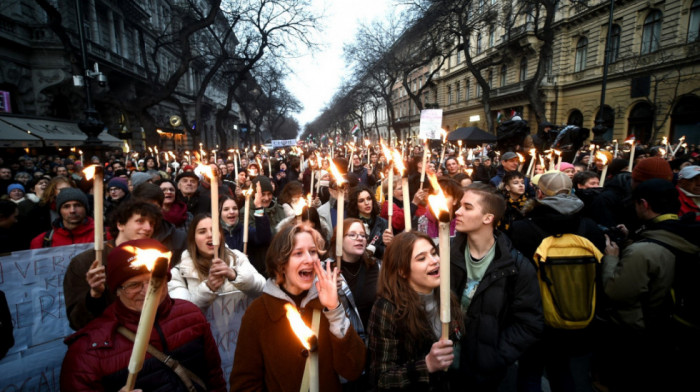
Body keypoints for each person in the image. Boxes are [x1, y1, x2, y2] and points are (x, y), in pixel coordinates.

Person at [60, 239, 227, 391]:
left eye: (155, 281)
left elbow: (214, 377)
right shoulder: (87, 352)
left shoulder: (191, 316)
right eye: (134, 284)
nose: (148, 292)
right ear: (117, 290)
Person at [229, 222, 366, 391]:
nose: (309, 259)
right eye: (298, 253)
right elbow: (244, 383)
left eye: (313, 252)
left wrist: (335, 310)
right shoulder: (258, 312)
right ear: (281, 263)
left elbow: (353, 370)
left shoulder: (329, 303)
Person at [598, 179, 700, 391]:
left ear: (643, 204)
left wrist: (611, 259)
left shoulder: (644, 250)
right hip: (677, 331)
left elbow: (617, 292)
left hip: (645, 336)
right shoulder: (686, 232)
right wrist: (631, 241)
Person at [509, 172, 605, 392]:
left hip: (535, 315)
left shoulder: (522, 229)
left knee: (530, 372)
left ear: (539, 193)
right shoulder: (589, 228)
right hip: (575, 313)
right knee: (562, 370)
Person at [450, 183, 543, 390]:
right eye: (459, 206)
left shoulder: (516, 268)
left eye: (467, 207)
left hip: (485, 374)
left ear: (488, 218)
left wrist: (494, 356)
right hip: (444, 367)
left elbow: (529, 323)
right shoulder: (445, 254)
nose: (457, 211)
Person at [367, 230, 464, 391]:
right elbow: (382, 379)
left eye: (434, 253)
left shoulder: (445, 295)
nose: (434, 261)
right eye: (422, 258)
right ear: (402, 271)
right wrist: (427, 365)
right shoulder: (387, 308)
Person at [63, 200, 161, 330]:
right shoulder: (85, 262)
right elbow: (76, 320)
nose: (148, 228)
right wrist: (94, 295)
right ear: (120, 224)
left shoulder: (153, 257)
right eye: (140, 221)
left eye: (152, 224)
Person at [169, 213, 265, 310]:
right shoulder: (179, 273)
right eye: (202, 232)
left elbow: (262, 288)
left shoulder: (237, 258)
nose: (210, 235)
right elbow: (182, 312)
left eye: (214, 230)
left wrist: (235, 275)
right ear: (193, 238)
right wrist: (208, 288)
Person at [30, 188, 96, 249]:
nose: (72, 210)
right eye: (66, 206)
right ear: (60, 211)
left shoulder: (103, 236)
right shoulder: (40, 242)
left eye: (78, 205)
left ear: (86, 209)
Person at [347, 185, 392, 260]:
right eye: (361, 200)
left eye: (369, 199)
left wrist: (377, 248)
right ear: (355, 204)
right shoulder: (350, 224)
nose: (367, 203)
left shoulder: (383, 223)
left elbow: (389, 253)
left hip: (377, 267)